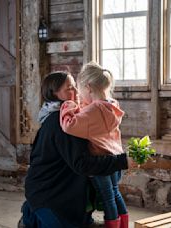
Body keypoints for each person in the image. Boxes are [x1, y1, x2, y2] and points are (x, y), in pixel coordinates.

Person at [22, 72, 129, 228]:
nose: (76, 92)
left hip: (67, 189)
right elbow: (83, 164)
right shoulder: (62, 122)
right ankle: (33, 212)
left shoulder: (71, 115)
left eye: (75, 86)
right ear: (54, 93)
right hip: (49, 192)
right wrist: (123, 161)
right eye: (69, 88)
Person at [60, 62, 128, 228]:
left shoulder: (94, 110)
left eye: (80, 90)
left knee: (107, 197)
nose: (79, 94)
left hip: (100, 162)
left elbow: (70, 125)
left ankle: (112, 225)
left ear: (88, 87)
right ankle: (124, 224)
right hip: (115, 158)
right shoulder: (111, 105)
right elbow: (91, 113)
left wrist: (67, 106)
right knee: (115, 193)